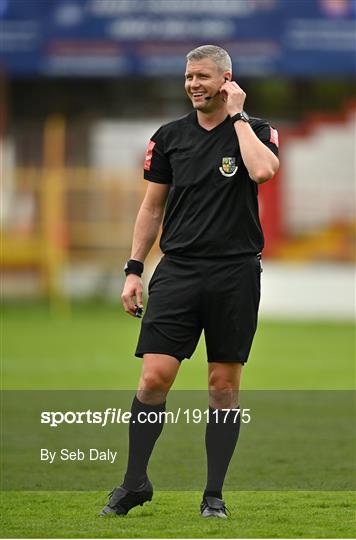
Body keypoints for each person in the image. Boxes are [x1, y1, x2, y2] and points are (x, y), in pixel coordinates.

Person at [100, 44, 279, 519]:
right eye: (188, 77)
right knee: (153, 377)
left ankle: (213, 495)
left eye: (203, 76)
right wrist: (134, 269)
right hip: (177, 271)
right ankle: (135, 482)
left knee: (223, 387)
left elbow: (262, 172)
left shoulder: (257, 131)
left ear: (227, 80)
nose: (194, 85)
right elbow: (151, 207)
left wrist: (238, 118)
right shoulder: (169, 137)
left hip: (235, 272)